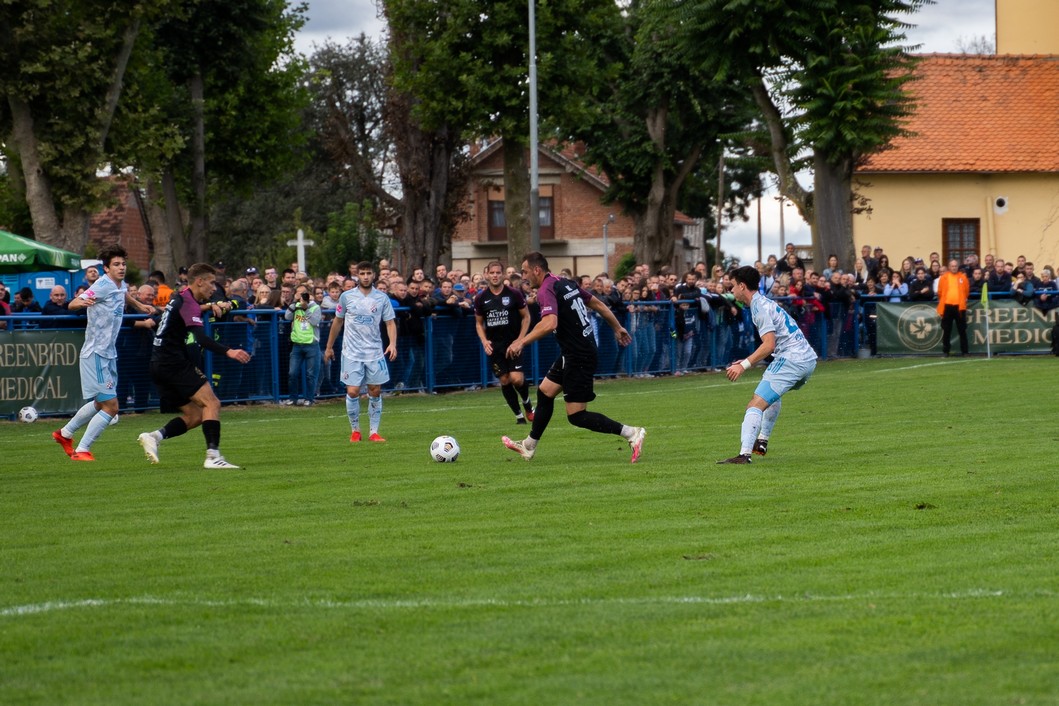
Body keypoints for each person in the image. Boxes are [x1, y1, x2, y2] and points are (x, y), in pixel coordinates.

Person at [501, 251, 645, 463]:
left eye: (525, 271)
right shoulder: (564, 283)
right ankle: (529, 446)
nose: (523, 276)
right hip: (575, 351)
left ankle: (632, 433)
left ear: (537, 270)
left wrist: (522, 341)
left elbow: (550, 323)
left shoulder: (545, 290)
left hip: (579, 355)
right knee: (545, 392)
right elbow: (597, 304)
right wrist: (617, 327)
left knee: (577, 416)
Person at [136, 263, 251, 468]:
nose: (214, 288)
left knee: (196, 415)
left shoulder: (180, 297)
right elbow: (201, 339)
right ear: (199, 281)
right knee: (212, 403)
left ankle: (154, 437)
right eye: (211, 282)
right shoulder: (188, 302)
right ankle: (213, 457)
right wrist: (229, 351)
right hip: (172, 362)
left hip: (158, 364)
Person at [53, 245, 155, 462]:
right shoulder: (101, 285)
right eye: (116, 265)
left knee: (101, 404)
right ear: (106, 269)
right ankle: (82, 450)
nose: (121, 268)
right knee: (112, 407)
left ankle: (64, 434)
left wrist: (139, 305)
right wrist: (81, 301)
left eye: (123, 264)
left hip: (109, 353)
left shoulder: (119, 284)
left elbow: (123, 294)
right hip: (96, 353)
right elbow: (72, 305)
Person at [717, 266, 818, 465]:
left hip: (792, 359)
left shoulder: (758, 306)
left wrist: (743, 365)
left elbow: (769, 344)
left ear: (742, 286)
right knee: (772, 395)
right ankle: (761, 441)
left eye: (733, 286)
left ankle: (744, 455)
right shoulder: (763, 303)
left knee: (754, 404)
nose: (732, 291)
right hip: (807, 360)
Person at [323, 261, 397, 443]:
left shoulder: (382, 298)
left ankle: (374, 432)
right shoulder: (347, 297)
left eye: (368, 273)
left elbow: (389, 322)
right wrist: (329, 346)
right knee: (354, 391)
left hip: (374, 352)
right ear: (357, 275)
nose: (365, 276)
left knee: (375, 390)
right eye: (362, 273)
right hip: (352, 352)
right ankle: (355, 430)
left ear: (374, 275)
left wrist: (392, 343)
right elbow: (337, 321)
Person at [474, 261, 535, 424]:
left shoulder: (514, 294)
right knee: (505, 380)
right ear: (486, 275)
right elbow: (479, 323)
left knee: (516, 379)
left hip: (513, 344)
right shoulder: (481, 298)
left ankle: (528, 405)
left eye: (498, 272)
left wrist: (520, 339)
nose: (495, 275)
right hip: (495, 346)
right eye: (491, 273)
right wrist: (484, 341)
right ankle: (519, 416)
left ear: (503, 275)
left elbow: (526, 317)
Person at [282, 284, 322, 406]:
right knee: (292, 373)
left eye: (303, 294)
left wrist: (305, 309)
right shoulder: (295, 307)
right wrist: (294, 305)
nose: (301, 297)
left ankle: (309, 399)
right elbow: (287, 316)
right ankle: (293, 398)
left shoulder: (315, 307)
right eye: (299, 294)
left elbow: (315, 322)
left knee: (311, 374)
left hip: (311, 344)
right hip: (297, 344)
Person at [936, 258, 970, 357]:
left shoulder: (963, 277)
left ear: (958, 267)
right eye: (952, 266)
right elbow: (940, 292)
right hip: (947, 306)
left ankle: (965, 351)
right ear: (949, 267)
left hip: (960, 307)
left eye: (955, 266)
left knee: (962, 330)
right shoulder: (944, 277)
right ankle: (946, 351)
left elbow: (966, 291)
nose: (954, 267)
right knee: (946, 330)